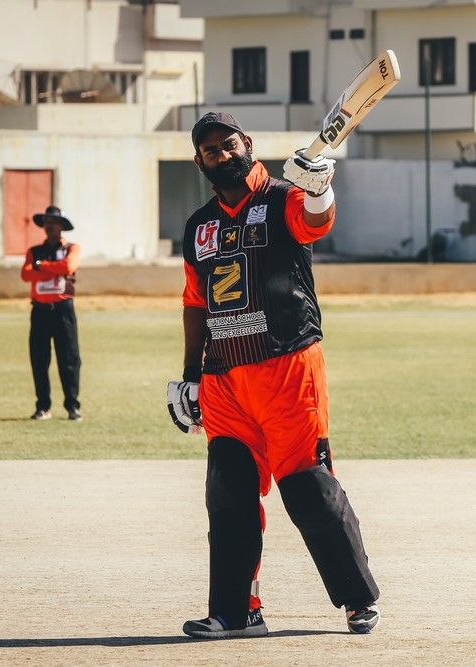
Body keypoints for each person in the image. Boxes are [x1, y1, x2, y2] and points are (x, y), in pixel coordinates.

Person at [167, 112, 379, 639]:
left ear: (248, 144)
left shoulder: (283, 197)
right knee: (228, 495)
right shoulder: (198, 226)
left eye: (229, 145)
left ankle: (357, 599)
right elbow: (195, 301)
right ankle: (236, 612)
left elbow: (316, 222)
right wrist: (190, 374)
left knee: (308, 488)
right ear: (199, 161)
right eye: (211, 150)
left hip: (287, 367)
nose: (222, 155)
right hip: (224, 380)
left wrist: (319, 188)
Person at [19, 206, 82, 421]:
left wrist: (42, 267)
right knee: (39, 360)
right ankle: (43, 406)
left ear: (62, 226)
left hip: (63, 310)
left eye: (53, 222)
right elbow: (26, 274)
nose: (49, 226)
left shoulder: (72, 248)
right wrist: (50, 269)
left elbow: (68, 267)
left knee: (69, 360)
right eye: (46, 222)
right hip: (40, 311)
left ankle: (72, 406)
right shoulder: (34, 251)